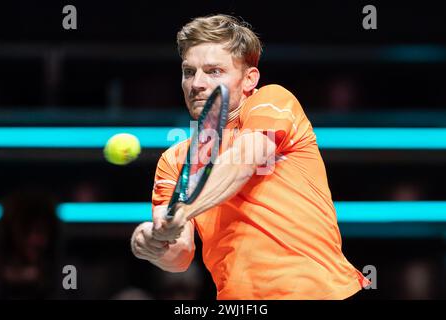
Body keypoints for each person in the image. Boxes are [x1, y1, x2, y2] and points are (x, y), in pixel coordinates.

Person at [131, 14, 370, 299]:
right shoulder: (174, 159)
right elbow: (180, 255)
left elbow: (242, 163)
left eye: (214, 71)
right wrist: (151, 244)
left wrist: (183, 210)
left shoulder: (272, 101)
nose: (197, 83)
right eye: (189, 72)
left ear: (248, 79)